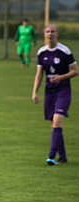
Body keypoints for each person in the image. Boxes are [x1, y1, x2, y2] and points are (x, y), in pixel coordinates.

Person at [32, 24, 78, 165]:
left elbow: (75, 70)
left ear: (57, 34)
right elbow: (39, 75)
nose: (50, 34)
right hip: (49, 92)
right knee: (54, 125)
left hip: (63, 91)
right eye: (47, 32)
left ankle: (51, 156)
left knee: (57, 121)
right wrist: (34, 92)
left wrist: (60, 77)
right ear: (44, 34)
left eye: (53, 31)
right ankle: (63, 157)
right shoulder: (42, 52)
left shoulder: (64, 51)